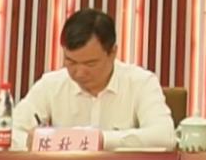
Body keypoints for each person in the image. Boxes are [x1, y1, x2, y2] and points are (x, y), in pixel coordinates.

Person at [12, 8, 174, 150]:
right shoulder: (50, 85)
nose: (79, 73)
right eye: (71, 61)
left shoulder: (141, 82)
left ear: (113, 53)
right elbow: (12, 132)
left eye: (90, 64)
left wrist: (98, 140)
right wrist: (33, 141)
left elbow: (164, 136)